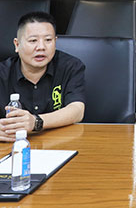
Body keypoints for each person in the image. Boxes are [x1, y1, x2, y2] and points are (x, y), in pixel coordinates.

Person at [0, 12, 85, 141]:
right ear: (17, 45)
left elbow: (77, 110)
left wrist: (36, 122)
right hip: (12, 146)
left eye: (48, 40)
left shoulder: (70, 66)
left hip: (60, 143)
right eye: (33, 40)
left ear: (55, 41)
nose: (41, 47)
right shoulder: (2, 73)